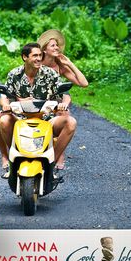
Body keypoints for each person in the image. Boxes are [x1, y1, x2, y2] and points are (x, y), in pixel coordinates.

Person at [0, 43, 77, 178]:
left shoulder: (50, 73)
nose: (38, 59)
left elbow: (65, 94)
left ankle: (51, 163)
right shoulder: (14, 74)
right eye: (35, 55)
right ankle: (13, 159)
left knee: (71, 122)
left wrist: (64, 104)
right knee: (2, 118)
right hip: (20, 118)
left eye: (40, 55)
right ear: (25, 57)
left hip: (46, 119)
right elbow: (4, 97)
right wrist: (6, 105)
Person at [37, 29, 88, 170]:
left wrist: (69, 63)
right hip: (40, 103)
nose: (57, 48)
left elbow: (84, 83)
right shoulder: (36, 63)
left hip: (57, 105)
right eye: (53, 45)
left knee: (65, 114)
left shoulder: (59, 66)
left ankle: (58, 155)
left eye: (57, 45)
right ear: (45, 49)